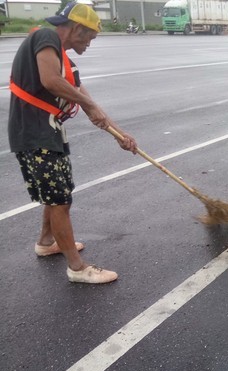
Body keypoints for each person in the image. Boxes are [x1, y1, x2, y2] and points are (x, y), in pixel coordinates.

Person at [8, 2, 138, 284]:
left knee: (57, 194)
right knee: (59, 200)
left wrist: (121, 135)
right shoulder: (46, 37)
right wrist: (90, 104)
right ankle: (77, 268)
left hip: (48, 132)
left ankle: (46, 242)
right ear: (78, 28)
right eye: (90, 36)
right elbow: (51, 81)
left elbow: (91, 108)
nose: (90, 42)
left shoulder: (67, 61)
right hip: (34, 134)